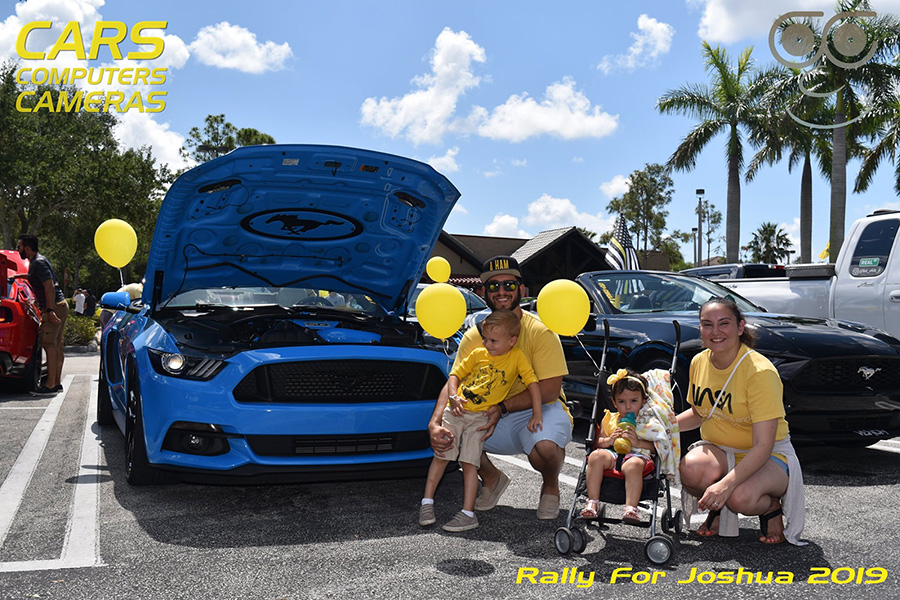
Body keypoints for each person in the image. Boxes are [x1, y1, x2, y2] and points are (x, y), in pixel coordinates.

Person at [428, 255, 572, 520]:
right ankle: (492, 478)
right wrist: (435, 423)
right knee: (451, 432)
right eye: (493, 286)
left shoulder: (540, 331)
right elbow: (454, 381)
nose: (501, 291)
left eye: (509, 284)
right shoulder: (476, 335)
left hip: (538, 409)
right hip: (491, 411)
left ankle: (551, 486)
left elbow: (550, 390)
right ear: (484, 292)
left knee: (546, 448)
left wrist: (503, 407)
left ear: (522, 290)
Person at [676, 297, 805, 545]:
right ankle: (717, 508)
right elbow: (699, 413)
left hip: (769, 455)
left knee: (739, 497)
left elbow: (763, 445)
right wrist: (660, 425)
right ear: (700, 329)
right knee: (690, 470)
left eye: (724, 323)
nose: (715, 332)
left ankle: (770, 507)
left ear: (740, 327)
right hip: (721, 450)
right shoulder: (699, 361)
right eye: (707, 324)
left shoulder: (760, 372)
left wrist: (725, 485)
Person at [419, 310, 543, 532]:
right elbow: (455, 375)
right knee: (442, 455)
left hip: (480, 418)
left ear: (512, 340)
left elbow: (533, 384)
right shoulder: (477, 354)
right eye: (485, 339)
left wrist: (537, 414)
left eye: (493, 341)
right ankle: (427, 503)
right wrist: (454, 396)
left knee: (470, 463)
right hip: (457, 411)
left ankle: (468, 514)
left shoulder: (517, 358)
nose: (487, 344)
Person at [580, 369, 671, 524]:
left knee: (633, 465)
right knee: (596, 456)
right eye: (622, 402)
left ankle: (631, 508)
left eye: (633, 401)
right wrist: (609, 440)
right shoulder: (610, 419)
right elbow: (599, 442)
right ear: (614, 402)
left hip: (638, 456)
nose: (628, 407)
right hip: (613, 454)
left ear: (643, 401)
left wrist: (637, 442)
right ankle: (592, 502)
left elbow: (658, 447)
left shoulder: (648, 423)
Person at [13, 234, 68, 396]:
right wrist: (17, 277)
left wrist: (49, 310)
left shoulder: (39, 263)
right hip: (59, 305)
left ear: (27, 248)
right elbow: (35, 278)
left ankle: (50, 385)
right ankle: (56, 383)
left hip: (54, 306)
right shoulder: (37, 262)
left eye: (19, 247)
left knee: (49, 344)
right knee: (55, 345)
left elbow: (48, 286)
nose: (17, 250)